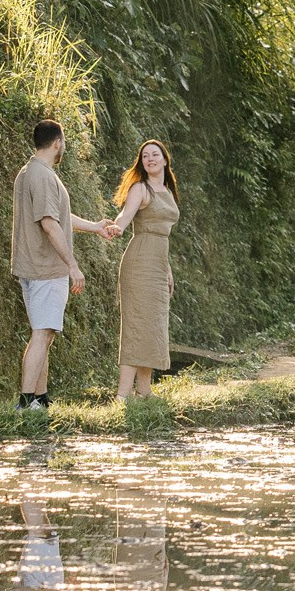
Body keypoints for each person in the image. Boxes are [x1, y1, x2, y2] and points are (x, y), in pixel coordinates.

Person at [11, 118, 119, 410]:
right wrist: (72, 265)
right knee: (42, 333)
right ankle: (24, 403)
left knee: (44, 333)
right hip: (45, 267)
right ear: (58, 142)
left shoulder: (29, 172)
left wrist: (95, 227)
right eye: (64, 142)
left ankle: (39, 399)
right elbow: (48, 223)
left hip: (36, 266)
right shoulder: (43, 176)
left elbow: (58, 216)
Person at [110, 139, 180, 398]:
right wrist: (116, 227)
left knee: (153, 325)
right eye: (145, 156)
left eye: (155, 155)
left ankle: (144, 390)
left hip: (159, 263)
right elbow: (125, 217)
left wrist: (168, 269)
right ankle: (122, 395)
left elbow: (162, 234)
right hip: (139, 263)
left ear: (164, 160)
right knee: (136, 324)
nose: (150, 159)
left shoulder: (168, 191)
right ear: (142, 163)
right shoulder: (140, 188)